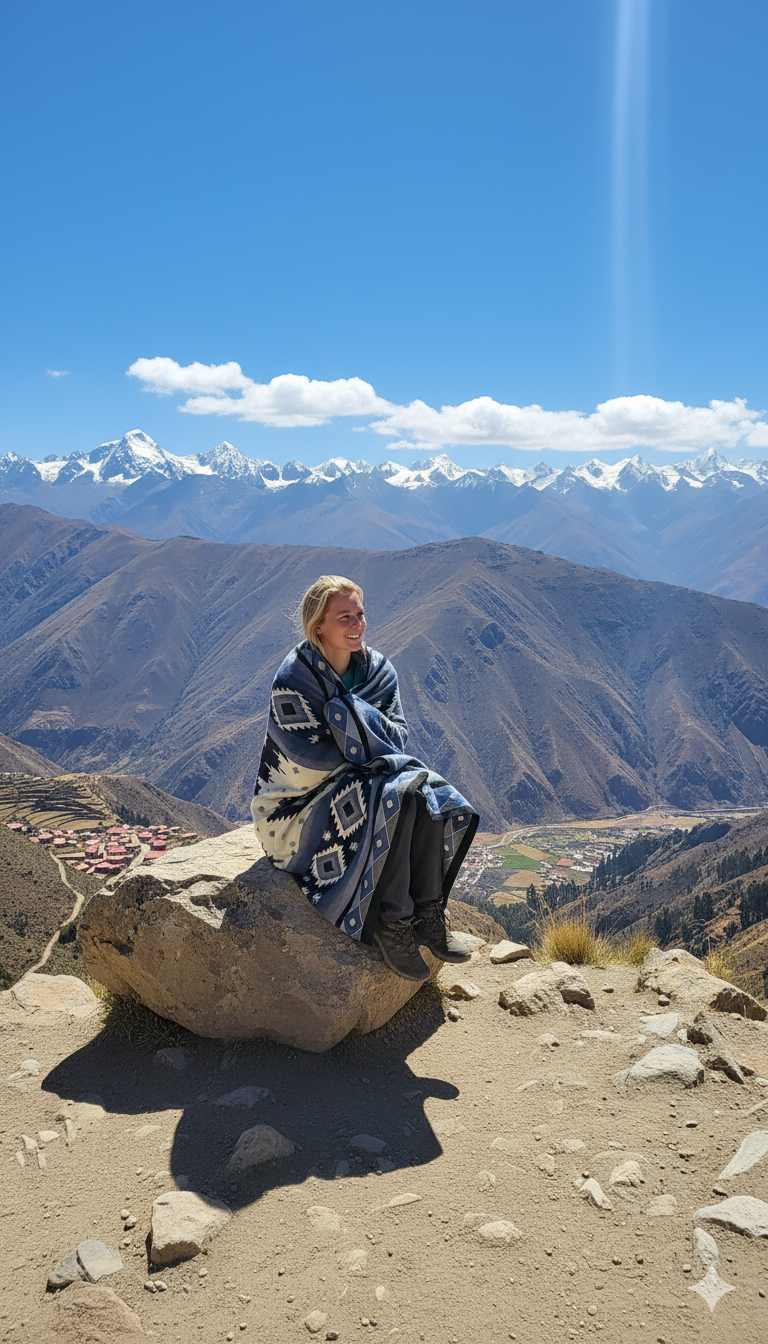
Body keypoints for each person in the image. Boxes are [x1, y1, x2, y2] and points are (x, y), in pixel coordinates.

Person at [252, 574, 479, 981]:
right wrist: (362, 741)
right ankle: (392, 923)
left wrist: (352, 717)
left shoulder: (380, 672)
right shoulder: (295, 679)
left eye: (360, 614)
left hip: (366, 775)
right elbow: (305, 758)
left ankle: (427, 912)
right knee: (392, 794)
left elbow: (398, 737)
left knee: (424, 794)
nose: (357, 624)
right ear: (318, 625)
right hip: (296, 806)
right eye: (344, 617)